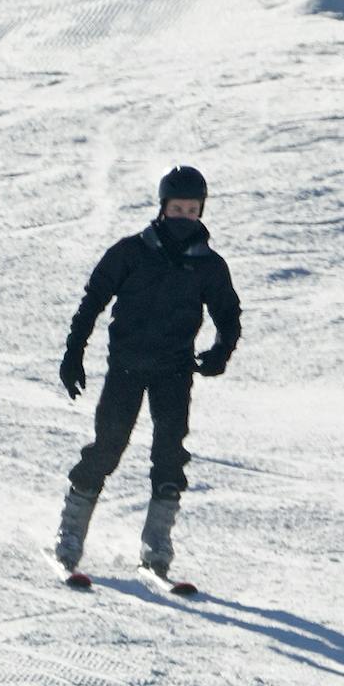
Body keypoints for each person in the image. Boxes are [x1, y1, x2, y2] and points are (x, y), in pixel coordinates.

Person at [54, 166, 242, 578]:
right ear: (162, 208)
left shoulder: (208, 264)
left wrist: (220, 351)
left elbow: (228, 314)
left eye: (192, 210)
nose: (185, 217)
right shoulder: (132, 252)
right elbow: (93, 301)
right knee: (108, 447)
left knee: (170, 455)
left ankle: (156, 545)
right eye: (177, 209)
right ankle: (70, 535)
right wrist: (74, 353)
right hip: (127, 366)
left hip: (175, 371)